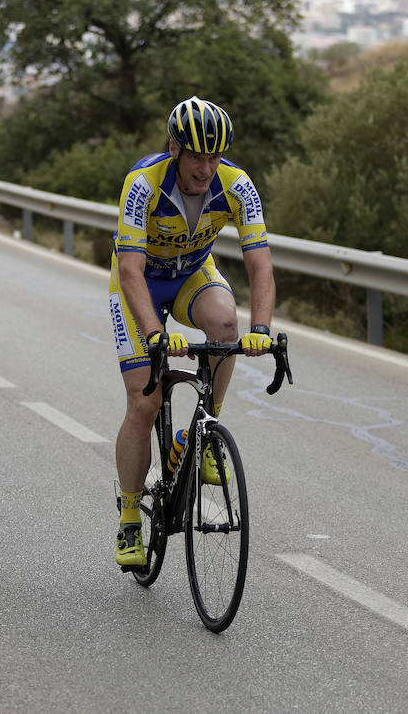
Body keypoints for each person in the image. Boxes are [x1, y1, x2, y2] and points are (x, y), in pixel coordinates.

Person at [110, 96, 276, 568]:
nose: (206, 168)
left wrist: (261, 327)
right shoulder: (143, 185)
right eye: (197, 156)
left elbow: (259, 265)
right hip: (141, 283)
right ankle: (127, 518)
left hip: (190, 274)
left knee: (227, 324)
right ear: (174, 149)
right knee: (144, 402)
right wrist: (155, 334)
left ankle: (202, 434)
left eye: (215, 156)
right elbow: (129, 271)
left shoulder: (237, 186)